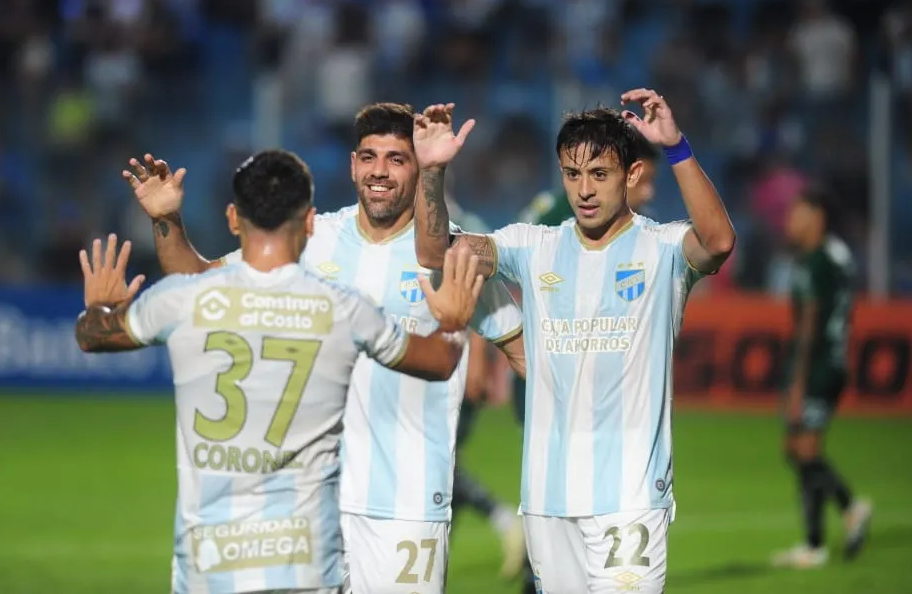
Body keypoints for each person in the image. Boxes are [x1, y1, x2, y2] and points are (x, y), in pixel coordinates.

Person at [122, 103, 526, 593]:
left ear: (420, 166)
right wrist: (168, 221)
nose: (379, 170)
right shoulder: (311, 240)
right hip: (307, 505)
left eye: (397, 159)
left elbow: (523, 353)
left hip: (407, 504)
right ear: (353, 164)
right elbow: (200, 284)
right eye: (368, 156)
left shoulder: (451, 258)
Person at [411, 92, 736, 593]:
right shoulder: (535, 245)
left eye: (599, 175)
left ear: (630, 176)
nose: (583, 190)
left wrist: (675, 148)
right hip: (546, 498)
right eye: (572, 173)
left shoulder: (663, 248)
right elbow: (437, 253)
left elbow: (717, 242)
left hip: (629, 499)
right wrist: (431, 174)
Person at [511, 131, 661, 593]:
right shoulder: (556, 221)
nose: (650, 192)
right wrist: (507, 342)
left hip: (614, 444)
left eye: (595, 174)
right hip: (555, 381)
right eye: (577, 174)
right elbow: (487, 270)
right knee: (563, 481)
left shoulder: (646, 238)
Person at [771, 185, 872, 569]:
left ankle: (848, 510)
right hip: (830, 361)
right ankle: (816, 540)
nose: (790, 222)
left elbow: (809, 325)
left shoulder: (815, 262)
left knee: (804, 450)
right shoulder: (835, 256)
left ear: (817, 217)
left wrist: (797, 382)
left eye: (797, 213)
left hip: (817, 366)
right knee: (796, 449)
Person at [446, 192, 528, 579]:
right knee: (441, 466)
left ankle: (504, 522)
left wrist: (477, 360)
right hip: (428, 366)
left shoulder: (464, 229)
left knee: (439, 465)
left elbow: (485, 291)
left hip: (454, 367)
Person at [518, 134, 660, 226]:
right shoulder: (554, 215)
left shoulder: (646, 225)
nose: (648, 193)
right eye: (639, 180)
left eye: (651, 180)